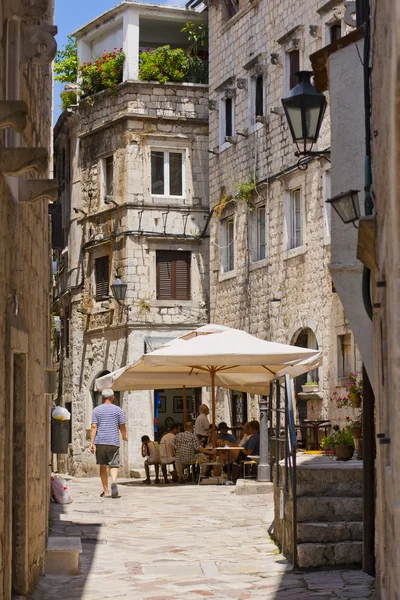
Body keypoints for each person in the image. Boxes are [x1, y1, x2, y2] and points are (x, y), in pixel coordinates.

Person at [90, 388, 127, 499]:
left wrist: (92, 443)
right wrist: (124, 436)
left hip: (100, 441)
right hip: (113, 441)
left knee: (102, 465)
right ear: (113, 398)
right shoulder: (118, 410)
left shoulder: (96, 410)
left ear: (102, 398)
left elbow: (93, 426)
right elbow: (122, 425)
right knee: (114, 464)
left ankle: (106, 492)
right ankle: (114, 481)